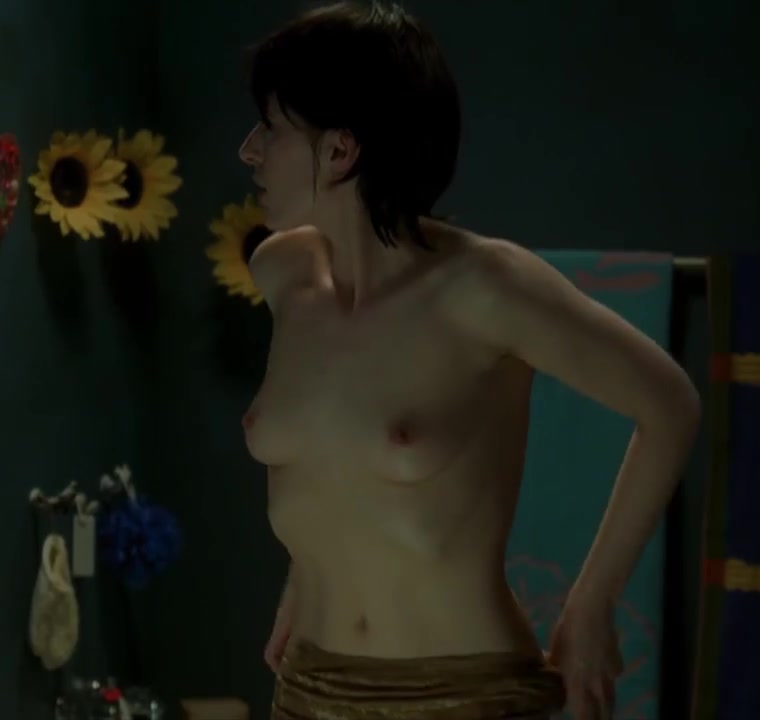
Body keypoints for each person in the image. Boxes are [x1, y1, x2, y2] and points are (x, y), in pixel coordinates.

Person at [237, 2, 700, 719]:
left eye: (270, 128)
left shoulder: (485, 288)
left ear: (340, 151)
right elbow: (334, 445)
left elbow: (669, 404)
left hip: (463, 696)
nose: (249, 151)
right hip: (308, 687)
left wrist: (592, 605)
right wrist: (309, 566)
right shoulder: (284, 275)